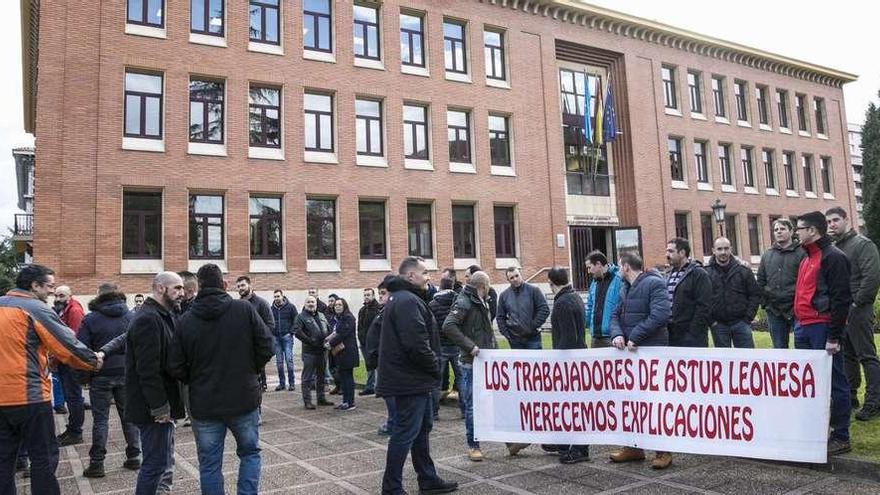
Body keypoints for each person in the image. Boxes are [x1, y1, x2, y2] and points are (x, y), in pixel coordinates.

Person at [168, 263, 274, 495]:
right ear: (224, 285)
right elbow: (267, 345)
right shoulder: (243, 310)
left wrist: (195, 379)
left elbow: (175, 365)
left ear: (198, 286)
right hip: (242, 398)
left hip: (205, 402)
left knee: (209, 464)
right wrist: (251, 370)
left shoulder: (186, 320)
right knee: (249, 453)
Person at [0, 264, 101, 495]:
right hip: (29, 397)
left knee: (3, 460)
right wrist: (93, 361)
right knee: (43, 457)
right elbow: (67, 346)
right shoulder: (35, 308)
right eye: (49, 287)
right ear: (34, 285)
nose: (51, 293)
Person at [379, 257, 457, 495]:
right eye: (424, 273)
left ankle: (427, 478)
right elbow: (416, 344)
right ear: (411, 276)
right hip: (409, 381)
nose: (429, 277)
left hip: (415, 380)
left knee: (421, 431)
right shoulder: (406, 301)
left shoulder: (406, 298)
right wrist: (436, 367)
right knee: (404, 434)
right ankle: (391, 487)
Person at [793, 211, 853, 454]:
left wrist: (834, 336)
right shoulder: (806, 258)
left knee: (836, 380)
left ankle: (841, 436)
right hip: (804, 326)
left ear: (812, 231)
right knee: (811, 383)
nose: (796, 233)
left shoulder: (833, 258)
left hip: (822, 326)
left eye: (799, 228)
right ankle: (817, 430)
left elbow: (841, 299)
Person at [608, 252, 673, 469]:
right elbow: (615, 315)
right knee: (631, 401)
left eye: (619, 266)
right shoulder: (625, 288)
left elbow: (661, 315)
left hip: (652, 352)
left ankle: (663, 450)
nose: (617, 270)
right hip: (631, 355)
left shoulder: (654, 284)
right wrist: (617, 334)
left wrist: (635, 336)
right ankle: (634, 447)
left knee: (655, 402)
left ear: (626, 267)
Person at [124, 272, 185, 495]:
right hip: (152, 409)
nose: (181, 293)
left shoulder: (163, 315)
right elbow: (147, 370)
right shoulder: (148, 319)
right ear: (160, 288)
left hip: (160, 404)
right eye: (177, 288)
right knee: (154, 465)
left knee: (163, 461)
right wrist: (160, 408)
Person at [76, 282, 141, 478]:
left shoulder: (90, 319)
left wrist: (85, 378)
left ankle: (97, 463)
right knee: (129, 416)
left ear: (98, 296)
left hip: (101, 373)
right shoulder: (131, 316)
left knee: (100, 420)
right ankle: (134, 456)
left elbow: (83, 350)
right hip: (126, 372)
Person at [827, 206, 880, 420]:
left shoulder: (862, 245)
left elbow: (871, 277)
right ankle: (850, 396)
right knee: (847, 355)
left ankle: (874, 401)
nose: (832, 224)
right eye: (829, 221)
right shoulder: (834, 248)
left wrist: (857, 305)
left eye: (835, 220)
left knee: (866, 355)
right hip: (841, 310)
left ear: (846, 220)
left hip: (858, 309)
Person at [442, 271, 497, 462]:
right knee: (473, 406)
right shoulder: (465, 301)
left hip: (486, 359)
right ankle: (473, 445)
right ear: (483, 285)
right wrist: (469, 346)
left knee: (494, 401)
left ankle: (508, 441)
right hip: (471, 362)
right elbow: (448, 326)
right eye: (488, 285)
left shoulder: (481, 300)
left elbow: (486, 330)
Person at [547, 266, 590, 464]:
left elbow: (568, 337)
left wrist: (559, 362)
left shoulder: (563, 302)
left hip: (569, 362)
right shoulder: (574, 297)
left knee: (573, 406)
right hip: (578, 358)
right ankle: (565, 442)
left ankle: (580, 448)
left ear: (551, 283)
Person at [756, 219, 805, 349]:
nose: (779, 232)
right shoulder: (767, 254)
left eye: (782, 229)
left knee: (802, 347)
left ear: (791, 231)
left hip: (797, 309)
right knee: (779, 348)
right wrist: (765, 302)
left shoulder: (802, 253)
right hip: (774, 310)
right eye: (776, 230)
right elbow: (760, 280)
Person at [704, 237, 760, 348]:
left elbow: (755, 295)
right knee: (723, 361)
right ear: (713, 250)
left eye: (726, 248)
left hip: (741, 323)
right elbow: (703, 299)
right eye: (719, 249)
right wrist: (711, 321)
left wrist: (747, 318)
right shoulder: (706, 272)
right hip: (718, 325)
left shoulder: (743, 271)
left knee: (747, 359)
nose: (723, 252)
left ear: (731, 249)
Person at [53, 285, 87, 447]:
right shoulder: (64, 309)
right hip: (65, 360)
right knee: (72, 397)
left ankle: (75, 432)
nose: (58, 298)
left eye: (61, 295)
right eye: (56, 295)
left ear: (70, 295)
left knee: (73, 398)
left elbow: (74, 339)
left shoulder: (74, 310)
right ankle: (73, 429)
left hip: (71, 361)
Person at [665, 238, 713, 348]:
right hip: (671, 333)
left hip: (691, 336)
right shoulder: (668, 274)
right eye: (667, 251)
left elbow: (704, 306)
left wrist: (693, 331)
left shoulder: (698, 273)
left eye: (671, 251)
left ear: (682, 253)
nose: (667, 255)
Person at [429, 278, 465, 418]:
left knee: (437, 380)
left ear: (440, 287)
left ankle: (434, 412)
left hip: (440, 346)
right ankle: (464, 410)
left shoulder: (432, 304)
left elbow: (431, 327)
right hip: (456, 346)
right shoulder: (458, 302)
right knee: (461, 379)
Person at [366, 276, 395, 435]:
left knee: (389, 393)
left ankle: (393, 423)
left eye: (383, 293)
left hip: (387, 361)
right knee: (387, 393)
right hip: (381, 360)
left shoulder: (391, 311)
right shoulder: (383, 310)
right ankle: (393, 421)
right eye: (379, 293)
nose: (380, 297)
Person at [293, 296, 334, 409]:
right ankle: (307, 401)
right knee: (307, 377)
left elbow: (329, 328)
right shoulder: (301, 317)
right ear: (305, 304)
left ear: (316, 303)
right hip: (309, 352)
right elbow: (297, 331)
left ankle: (321, 399)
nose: (311, 304)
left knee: (321, 376)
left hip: (322, 351)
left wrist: (330, 339)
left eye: (313, 302)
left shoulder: (321, 315)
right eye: (309, 302)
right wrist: (310, 341)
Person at [236, 276, 275, 395]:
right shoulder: (238, 304)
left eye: (243, 285)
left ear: (250, 285)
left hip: (257, 347)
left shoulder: (262, 303)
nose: (240, 288)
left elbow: (270, 324)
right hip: (242, 347)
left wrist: (260, 339)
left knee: (256, 384)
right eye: (238, 286)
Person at [496, 267, 550, 350]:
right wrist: (506, 334)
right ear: (508, 280)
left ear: (521, 275)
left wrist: (533, 325)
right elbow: (500, 316)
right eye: (512, 278)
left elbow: (544, 309)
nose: (515, 279)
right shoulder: (504, 295)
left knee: (535, 362)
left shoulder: (534, 290)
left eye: (517, 276)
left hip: (533, 337)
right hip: (515, 340)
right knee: (518, 363)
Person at [326, 298, 360, 411]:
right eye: (336, 305)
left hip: (348, 352)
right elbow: (336, 333)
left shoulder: (348, 318)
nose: (337, 307)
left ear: (344, 306)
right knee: (344, 377)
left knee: (347, 377)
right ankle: (345, 401)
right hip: (341, 352)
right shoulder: (339, 319)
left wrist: (330, 344)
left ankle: (350, 403)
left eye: (340, 305)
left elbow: (342, 334)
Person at [584, 251, 622, 348]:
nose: (588, 271)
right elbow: (590, 306)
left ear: (598, 264)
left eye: (589, 267)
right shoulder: (594, 283)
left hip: (613, 337)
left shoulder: (619, 280)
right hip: (595, 337)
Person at [177, 271, 198, 427]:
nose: (178, 293)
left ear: (189, 291)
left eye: (179, 288)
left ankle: (194, 416)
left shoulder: (196, 308)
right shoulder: (179, 306)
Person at [271, 289, 298, 392]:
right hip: (276, 338)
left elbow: (296, 320)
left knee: (289, 360)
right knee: (279, 362)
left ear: (282, 296)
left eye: (278, 296)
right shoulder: (271, 309)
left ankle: (291, 383)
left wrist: (291, 332)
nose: (276, 298)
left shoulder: (290, 307)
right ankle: (282, 383)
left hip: (287, 337)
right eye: (275, 297)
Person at [357, 288, 381, 396]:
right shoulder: (362, 310)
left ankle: (380, 387)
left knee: (378, 365)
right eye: (365, 295)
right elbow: (360, 326)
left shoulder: (378, 309)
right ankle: (370, 386)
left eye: (368, 295)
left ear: (373, 296)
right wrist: (360, 337)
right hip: (364, 342)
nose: (366, 297)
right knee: (369, 365)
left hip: (375, 343)